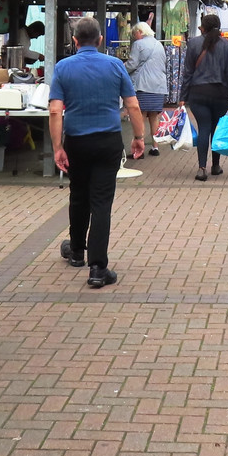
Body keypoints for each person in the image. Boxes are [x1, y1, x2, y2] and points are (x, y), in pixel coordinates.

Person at [49, 16, 145, 289]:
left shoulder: (63, 67)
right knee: (101, 201)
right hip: (108, 142)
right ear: (101, 40)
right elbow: (133, 106)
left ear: (75, 40)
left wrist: (58, 147)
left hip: (76, 141)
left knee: (78, 195)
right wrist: (139, 137)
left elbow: (56, 110)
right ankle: (98, 268)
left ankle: (77, 251)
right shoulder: (115, 65)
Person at [180, 14, 228, 181]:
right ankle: (215, 165)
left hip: (198, 93)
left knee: (204, 129)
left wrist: (182, 97)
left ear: (203, 27)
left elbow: (187, 73)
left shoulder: (192, 44)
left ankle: (201, 168)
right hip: (220, 93)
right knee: (216, 130)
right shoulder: (226, 45)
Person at [124, 22, 166, 156]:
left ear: (140, 32)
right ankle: (155, 147)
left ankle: (138, 149)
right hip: (159, 85)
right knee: (154, 117)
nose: (134, 37)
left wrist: (120, 69)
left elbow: (132, 64)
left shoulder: (138, 44)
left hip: (143, 85)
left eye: (134, 33)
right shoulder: (159, 44)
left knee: (140, 116)